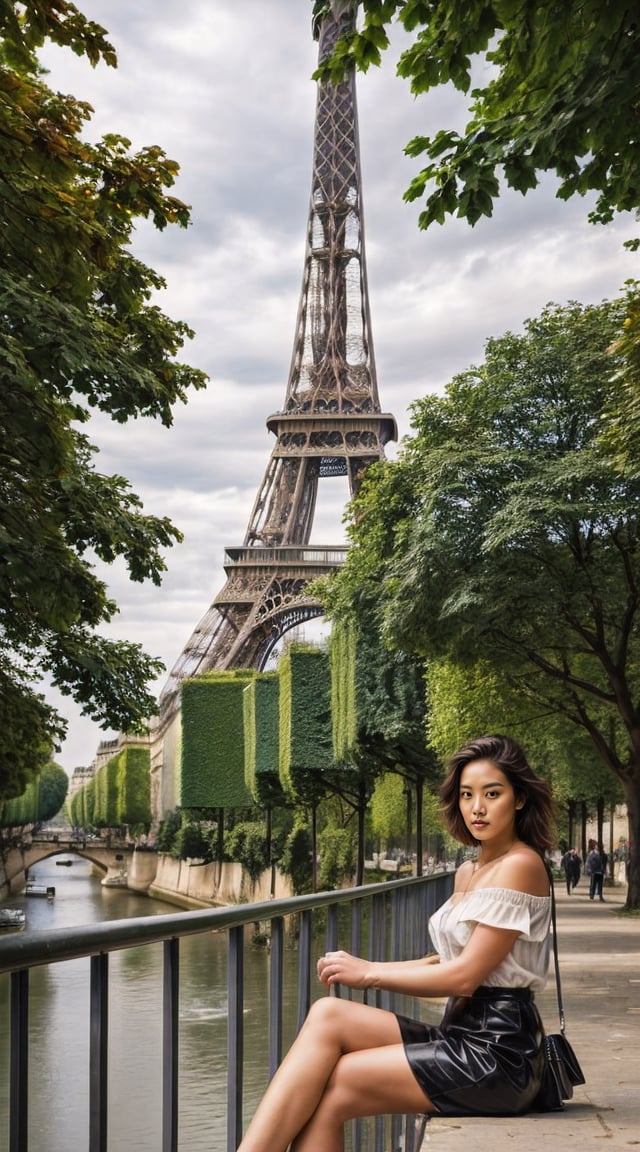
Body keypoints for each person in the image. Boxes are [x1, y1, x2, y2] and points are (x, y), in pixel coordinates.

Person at [236, 734, 555, 1152]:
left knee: (337, 1082)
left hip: (499, 1053)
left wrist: (369, 975)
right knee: (328, 1013)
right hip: (460, 1032)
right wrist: (366, 963)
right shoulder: (468, 872)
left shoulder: (521, 865)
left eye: (492, 794)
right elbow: (442, 960)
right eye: (466, 795)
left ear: (518, 799)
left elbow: (464, 976)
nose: (477, 807)